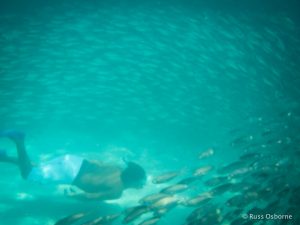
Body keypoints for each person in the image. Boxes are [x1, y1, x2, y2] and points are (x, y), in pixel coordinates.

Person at [0, 130, 147, 201]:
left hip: (74, 160)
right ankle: (19, 141)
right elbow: (90, 196)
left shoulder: (118, 169)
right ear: (133, 180)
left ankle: (4, 157)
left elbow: (98, 162)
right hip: (69, 173)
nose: (142, 186)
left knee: (36, 168)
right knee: (28, 175)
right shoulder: (117, 191)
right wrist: (73, 196)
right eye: (141, 183)